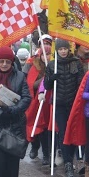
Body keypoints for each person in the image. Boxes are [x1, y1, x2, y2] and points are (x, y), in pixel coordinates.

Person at [0, 47, 32, 177]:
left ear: (11, 62)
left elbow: (26, 97)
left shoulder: (20, 76)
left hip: (14, 124)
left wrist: (13, 110)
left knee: (12, 162)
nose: (4, 64)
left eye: (7, 62)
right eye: (1, 61)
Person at [43, 39, 85, 177]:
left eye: (65, 49)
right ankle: (68, 163)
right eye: (60, 49)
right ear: (57, 50)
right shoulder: (51, 65)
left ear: (69, 50)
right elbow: (47, 86)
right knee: (63, 132)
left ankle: (76, 159)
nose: (63, 51)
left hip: (74, 104)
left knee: (73, 131)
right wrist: (51, 79)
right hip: (59, 104)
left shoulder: (76, 63)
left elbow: (81, 83)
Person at [24, 34, 53, 162]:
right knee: (35, 125)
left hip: (50, 102)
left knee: (47, 128)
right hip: (36, 101)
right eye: (44, 43)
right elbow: (31, 84)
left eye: (48, 44)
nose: (46, 56)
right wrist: (45, 78)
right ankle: (35, 147)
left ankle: (47, 154)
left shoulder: (54, 65)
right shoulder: (32, 64)